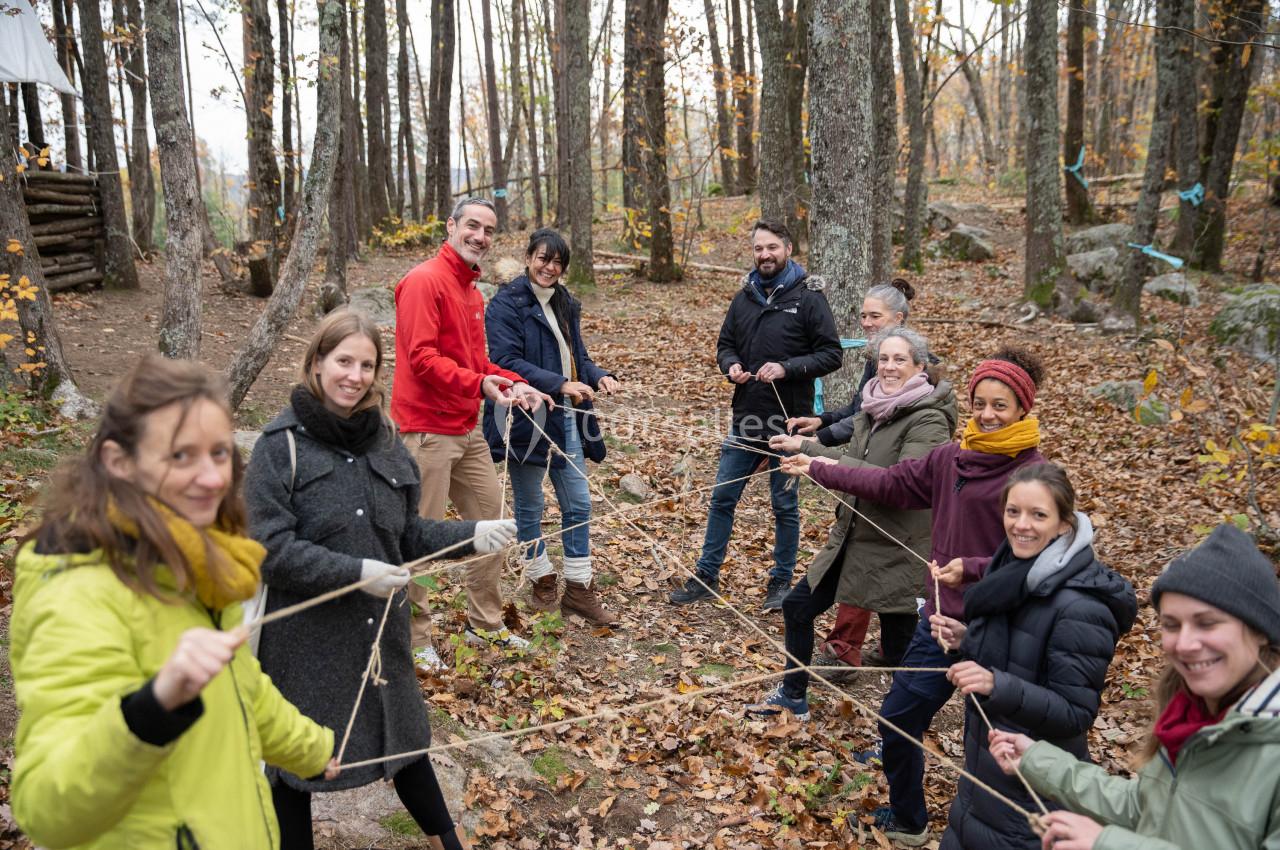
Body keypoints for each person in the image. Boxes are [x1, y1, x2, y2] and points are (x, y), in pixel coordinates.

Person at [10, 356, 338, 848]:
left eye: (219, 453)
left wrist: (313, 750)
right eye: (181, 456)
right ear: (120, 462)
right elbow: (47, 811)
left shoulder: (198, 560)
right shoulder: (78, 593)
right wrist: (153, 706)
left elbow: (242, 689)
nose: (211, 478)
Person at [245, 310, 516, 849]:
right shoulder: (281, 447)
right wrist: (355, 573)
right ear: (317, 364)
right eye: (344, 361)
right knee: (292, 771)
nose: (355, 375)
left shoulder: (387, 440)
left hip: (379, 638)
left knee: (407, 746)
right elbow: (268, 550)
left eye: (367, 365)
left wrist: (473, 535)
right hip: (305, 644)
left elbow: (407, 534)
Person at [779, 346, 1047, 846]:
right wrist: (815, 465)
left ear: (1022, 411)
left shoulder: (1034, 476)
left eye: (1001, 407)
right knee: (898, 719)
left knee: (990, 745)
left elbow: (1044, 561)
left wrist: (972, 569)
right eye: (980, 404)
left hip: (1004, 632)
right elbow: (891, 482)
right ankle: (909, 819)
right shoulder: (950, 458)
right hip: (940, 624)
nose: (987, 416)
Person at [990, 523, 1280, 850]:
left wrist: (1107, 843)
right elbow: (1146, 808)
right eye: (1171, 625)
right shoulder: (1187, 718)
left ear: (1261, 631)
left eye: (1207, 623)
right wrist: (1036, 760)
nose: (1184, 643)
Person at [744, 327, 956, 720]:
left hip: (899, 548)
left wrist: (821, 465)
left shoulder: (929, 420)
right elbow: (849, 457)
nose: (889, 367)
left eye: (899, 360)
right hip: (853, 538)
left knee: (900, 651)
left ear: (920, 367)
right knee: (797, 608)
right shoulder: (874, 404)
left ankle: (901, 731)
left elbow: (901, 485)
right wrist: (805, 448)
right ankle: (793, 697)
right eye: (883, 359)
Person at [935, 463, 1136, 849]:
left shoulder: (1081, 608)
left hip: (1031, 798)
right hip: (982, 777)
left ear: (1064, 524)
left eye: (1038, 515)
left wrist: (997, 684)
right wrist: (965, 639)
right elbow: (1014, 653)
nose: (1021, 525)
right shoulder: (1011, 572)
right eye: (1013, 512)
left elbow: (1075, 712)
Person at [391, 196, 547, 661]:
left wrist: (513, 383)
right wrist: (481, 383)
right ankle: (413, 639)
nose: (480, 236)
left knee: (496, 524)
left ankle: (485, 624)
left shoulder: (472, 292)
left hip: (467, 430)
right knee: (420, 536)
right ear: (451, 225)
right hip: (425, 432)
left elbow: (475, 362)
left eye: (489, 230)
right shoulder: (423, 282)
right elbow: (421, 359)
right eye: (472, 226)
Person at [669, 218, 842, 611]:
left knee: (784, 506)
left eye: (772, 248)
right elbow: (725, 345)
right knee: (722, 498)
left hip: (790, 422)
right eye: (759, 248)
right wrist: (730, 366)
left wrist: (786, 367)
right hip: (747, 417)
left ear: (788, 249)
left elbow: (832, 354)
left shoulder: (809, 297)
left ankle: (780, 583)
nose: (765, 255)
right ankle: (706, 575)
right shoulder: (744, 296)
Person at [787, 279, 931, 670]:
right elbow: (860, 412)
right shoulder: (877, 363)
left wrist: (819, 453)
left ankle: (856, 655)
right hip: (861, 512)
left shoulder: (924, 408)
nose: (865, 323)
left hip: (894, 525)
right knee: (844, 594)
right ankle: (862, 655)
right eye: (863, 315)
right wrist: (819, 427)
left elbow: (897, 478)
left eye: (874, 316)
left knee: (895, 607)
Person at [483, 228, 621, 626]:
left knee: (578, 503)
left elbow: (578, 356)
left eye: (558, 262)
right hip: (524, 415)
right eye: (543, 258)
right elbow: (505, 361)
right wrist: (558, 383)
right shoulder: (505, 305)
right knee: (530, 504)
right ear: (528, 258)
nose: (550, 267)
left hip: (568, 418)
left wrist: (598, 376)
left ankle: (579, 590)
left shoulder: (565, 303)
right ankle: (541, 576)